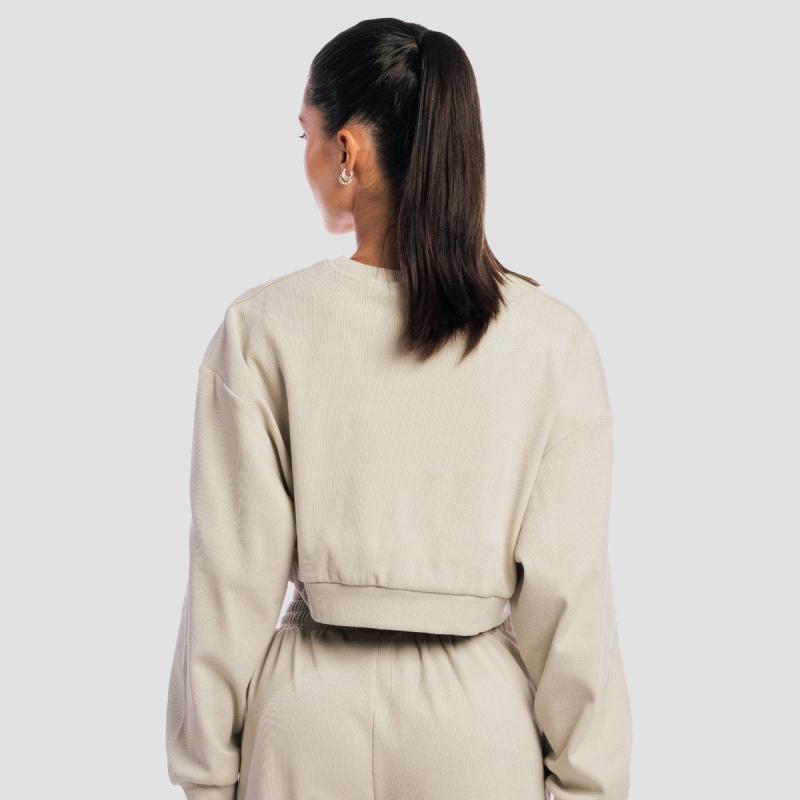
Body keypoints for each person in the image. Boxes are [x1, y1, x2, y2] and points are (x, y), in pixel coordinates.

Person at [165, 17, 632, 800]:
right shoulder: (554, 341)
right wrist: (589, 784)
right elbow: (571, 598)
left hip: (307, 718)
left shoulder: (262, 329)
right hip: (478, 732)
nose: (307, 155)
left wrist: (207, 778)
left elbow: (228, 584)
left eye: (307, 134)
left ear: (347, 150)